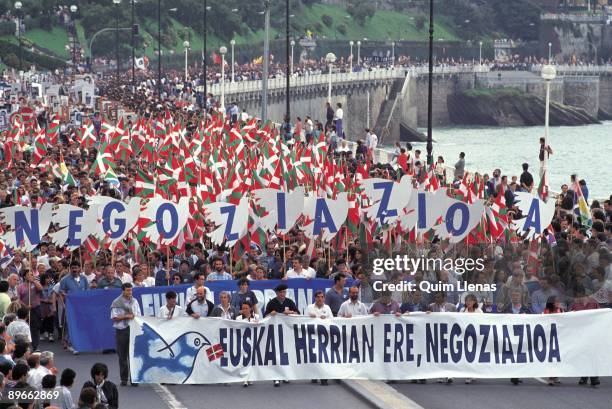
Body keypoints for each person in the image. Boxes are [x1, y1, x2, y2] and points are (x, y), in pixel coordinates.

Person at [263, 284, 299, 387]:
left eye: (284, 292)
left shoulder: (289, 302)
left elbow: (297, 313)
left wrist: (291, 312)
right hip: (275, 332)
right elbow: (265, 316)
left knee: (286, 354)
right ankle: (276, 377)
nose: (283, 294)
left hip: (287, 332)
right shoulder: (272, 303)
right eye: (281, 292)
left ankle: (285, 375)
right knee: (276, 354)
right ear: (277, 293)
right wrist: (271, 314)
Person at [110, 283, 141, 386]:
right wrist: (126, 316)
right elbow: (114, 318)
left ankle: (134, 379)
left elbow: (138, 315)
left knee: (132, 355)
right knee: (122, 356)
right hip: (122, 331)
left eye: (131, 290)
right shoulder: (116, 302)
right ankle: (124, 378)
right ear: (123, 291)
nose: (130, 292)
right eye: (128, 290)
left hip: (132, 330)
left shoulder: (134, 301)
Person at [18, 269, 43, 351]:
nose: (30, 276)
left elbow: (40, 289)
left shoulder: (35, 284)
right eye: (28, 274)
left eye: (32, 274)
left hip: (35, 308)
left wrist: (34, 281)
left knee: (35, 328)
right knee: (26, 327)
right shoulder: (20, 286)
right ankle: (26, 346)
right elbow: (19, 299)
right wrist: (25, 306)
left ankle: (35, 346)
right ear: (25, 276)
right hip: (25, 310)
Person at [460, 294, 482, 384]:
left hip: (476, 336)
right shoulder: (462, 310)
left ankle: (473, 373)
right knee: (467, 355)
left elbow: (484, 322)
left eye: (470, 300)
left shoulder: (479, 311)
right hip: (465, 337)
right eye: (466, 301)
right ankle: (468, 375)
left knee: (474, 355)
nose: (468, 302)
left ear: (474, 302)